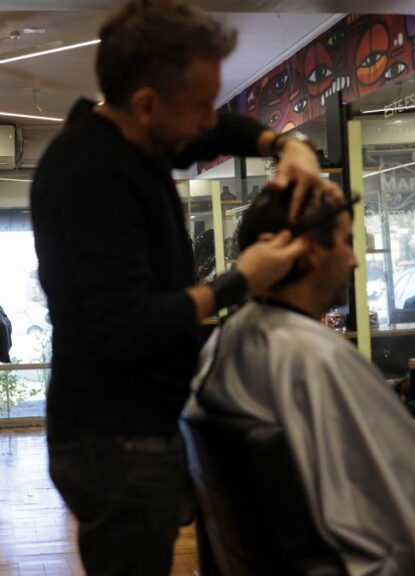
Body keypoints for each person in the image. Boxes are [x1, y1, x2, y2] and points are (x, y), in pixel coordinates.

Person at [30, 1, 342, 573]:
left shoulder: (131, 138)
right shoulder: (89, 177)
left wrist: (285, 145)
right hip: (113, 440)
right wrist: (241, 279)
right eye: (199, 105)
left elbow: (216, 130)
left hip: (135, 426)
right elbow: (126, 326)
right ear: (147, 104)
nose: (208, 121)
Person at [185, 185, 415, 575]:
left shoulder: (223, 343)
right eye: (345, 243)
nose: (354, 260)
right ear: (308, 250)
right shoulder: (315, 357)